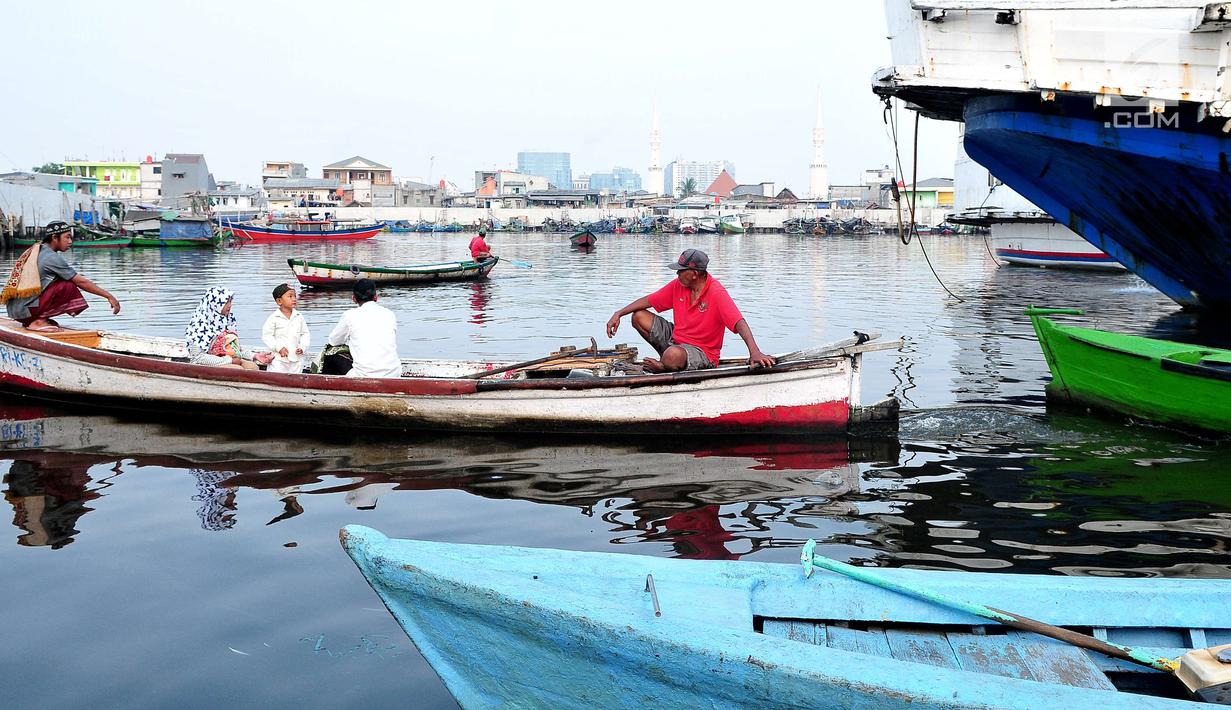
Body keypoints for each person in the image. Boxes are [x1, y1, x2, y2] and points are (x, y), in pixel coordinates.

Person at [606, 248, 776, 373]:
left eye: (681, 271)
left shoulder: (716, 293)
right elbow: (648, 300)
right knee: (639, 316)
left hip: (703, 353)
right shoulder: (678, 286)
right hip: (677, 341)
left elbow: (740, 323)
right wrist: (619, 313)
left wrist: (755, 352)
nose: (677, 274)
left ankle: (666, 365)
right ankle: (669, 362)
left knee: (672, 355)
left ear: (694, 273)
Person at [2, 221, 121, 332]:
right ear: (54, 238)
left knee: (60, 281)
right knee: (68, 286)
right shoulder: (51, 257)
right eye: (67, 237)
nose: (70, 241)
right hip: (25, 311)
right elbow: (81, 282)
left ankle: (36, 318)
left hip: (16, 311)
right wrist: (109, 296)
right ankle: (37, 321)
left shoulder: (35, 250)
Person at [326, 278, 402, 378]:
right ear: (375, 297)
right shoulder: (389, 314)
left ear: (354, 298)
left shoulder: (350, 315)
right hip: (394, 373)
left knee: (331, 352)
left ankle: (329, 387)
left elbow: (333, 341)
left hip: (364, 375)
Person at [185, 286, 260, 370]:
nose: (230, 305)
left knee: (253, 367)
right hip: (205, 363)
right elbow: (198, 357)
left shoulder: (227, 321)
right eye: (226, 302)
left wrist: (254, 356)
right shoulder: (199, 326)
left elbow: (235, 349)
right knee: (237, 369)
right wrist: (229, 360)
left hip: (228, 358)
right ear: (215, 304)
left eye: (230, 301)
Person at [261, 283, 310, 374]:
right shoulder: (274, 318)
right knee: (277, 379)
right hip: (279, 360)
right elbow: (267, 336)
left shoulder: (299, 316)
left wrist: (302, 347)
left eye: (295, 296)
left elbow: (305, 334)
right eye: (290, 296)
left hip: (296, 359)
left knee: (296, 381)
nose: (294, 299)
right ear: (279, 301)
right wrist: (278, 348)